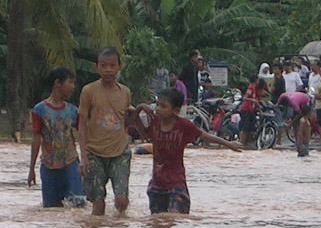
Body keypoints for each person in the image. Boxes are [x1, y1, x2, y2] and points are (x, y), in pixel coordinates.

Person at [132, 88, 242, 214]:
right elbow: (145, 136)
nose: (158, 109)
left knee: (175, 218)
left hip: (176, 184)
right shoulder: (155, 123)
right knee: (158, 223)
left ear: (176, 111)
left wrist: (228, 144)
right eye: (157, 105)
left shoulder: (183, 126)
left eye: (163, 106)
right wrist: (139, 109)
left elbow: (204, 136)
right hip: (157, 184)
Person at [77, 47, 134, 216]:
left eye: (112, 65)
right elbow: (82, 124)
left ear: (119, 66)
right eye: (104, 65)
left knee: (122, 199)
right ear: (96, 67)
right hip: (95, 152)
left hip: (119, 152)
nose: (108, 70)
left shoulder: (125, 92)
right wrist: (83, 157)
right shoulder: (88, 91)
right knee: (98, 203)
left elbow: (125, 121)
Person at [28, 67, 85, 208]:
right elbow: (36, 138)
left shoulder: (73, 111)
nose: (73, 87)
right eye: (70, 82)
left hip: (71, 164)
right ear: (58, 83)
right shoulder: (39, 110)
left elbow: (84, 134)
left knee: (77, 206)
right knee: (51, 210)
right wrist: (31, 169)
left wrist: (85, 159)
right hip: (48, 166)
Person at [239, 75, 260, 147]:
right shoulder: (250, 88)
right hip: (246, 109)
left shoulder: (253, 88)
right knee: (245, 126)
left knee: (249, 126)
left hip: (250, 109)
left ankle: (246, 142)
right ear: (256, 80)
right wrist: (252, 100)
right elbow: (245, 97)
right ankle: (241, 143)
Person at [270, 64, 287, 145]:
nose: (274, 71)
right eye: (273, 69)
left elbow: (272, 90)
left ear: (280, 70)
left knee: (279, 122)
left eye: (276, 69)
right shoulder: (279, 80)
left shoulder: (279, 81)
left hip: (278, 103)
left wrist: (273, 82)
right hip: (275, 102)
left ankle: (279, 140)